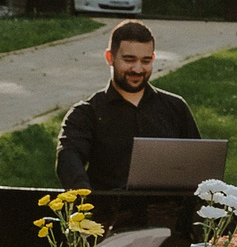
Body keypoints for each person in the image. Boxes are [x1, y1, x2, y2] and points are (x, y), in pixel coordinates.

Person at [56, 21, 199, 189]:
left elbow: (197, 164)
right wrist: (86, 198)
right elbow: (68, 160)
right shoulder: (86, 113)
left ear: (153, 59)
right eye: (129, 60)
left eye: (146, 61)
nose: (138, 69)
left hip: (168, 205)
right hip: (109, 204)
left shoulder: (176, 108)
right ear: (110, 58)